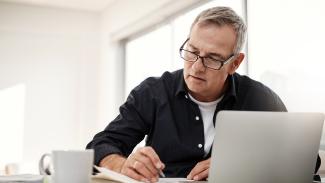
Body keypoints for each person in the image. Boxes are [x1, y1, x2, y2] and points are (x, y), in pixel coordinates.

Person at [87, 6, 321, 182]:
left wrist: (241, 166)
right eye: (192, 51)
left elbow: (308, 162)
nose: (196, 67)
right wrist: (123, 165)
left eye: (212, 58)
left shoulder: (261, 99)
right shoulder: (152, 93)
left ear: (235, 63)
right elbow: (99, 146)